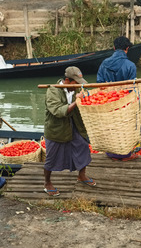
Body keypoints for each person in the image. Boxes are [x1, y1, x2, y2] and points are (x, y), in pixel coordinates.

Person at [43, 66, 96, 196]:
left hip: (73, 125)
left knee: (83, 146)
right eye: (76, 83)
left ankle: (81, 175)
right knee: (51, 157)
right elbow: (58, 111)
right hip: (56, 129)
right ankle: (47, 182)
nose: (78, 86)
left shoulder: (76, 89)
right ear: (67, 80)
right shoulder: (53, 91)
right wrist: (77, 100)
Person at [97, 36, 138, 161]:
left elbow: (100, 85)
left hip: (108, 101)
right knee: (125, 125)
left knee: (111, 125)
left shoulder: (104, 63)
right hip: (124, 101)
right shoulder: (131, 66)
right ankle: (124, 154)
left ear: (114, 48)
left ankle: (112, 152)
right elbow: (132, 89)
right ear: (127, 49)